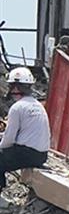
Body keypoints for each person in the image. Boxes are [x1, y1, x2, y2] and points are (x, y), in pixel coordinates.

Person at [0, 68, 49, 196]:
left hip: (27, 154)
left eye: (17, 86)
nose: (15, 90)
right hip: (42, 155)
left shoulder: (17, 108)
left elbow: (8, 140)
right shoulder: (37, 105)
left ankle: (2, 192)